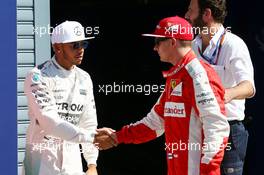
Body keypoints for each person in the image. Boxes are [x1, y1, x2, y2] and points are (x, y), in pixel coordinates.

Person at [94, 16, 230, 175]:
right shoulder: (176, 74)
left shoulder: (198, 75)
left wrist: (209, 170)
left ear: (172, 42)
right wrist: (117, 137)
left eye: (157, 41)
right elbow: (154, 124)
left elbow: (217, 128)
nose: (154, 48)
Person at [185, 0, 255, 174]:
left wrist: (224, 94)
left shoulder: (234, 44)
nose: (187, 15)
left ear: (206, 14)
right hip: (198, 128)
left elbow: (249, 87)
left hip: (229, 130)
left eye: (191, 10)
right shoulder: (193, 45)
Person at [23, 21, 99, 175]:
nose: (81, 50)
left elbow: (88, 122)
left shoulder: (85, 78)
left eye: (83, 44)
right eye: (74, 45)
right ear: (57, 47)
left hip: (72, 162)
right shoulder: (37, 76)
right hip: (42, 160)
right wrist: (91, 137)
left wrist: (92, 163)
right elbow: (50, 122)